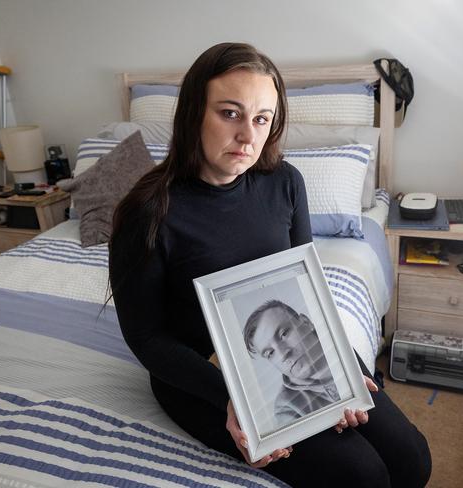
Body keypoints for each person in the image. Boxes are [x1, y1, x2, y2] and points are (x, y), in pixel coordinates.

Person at [109, 42, 431, 487]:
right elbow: (144, 336)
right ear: (193, 114)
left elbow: (306, 290)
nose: (248, 137)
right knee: (363, 476)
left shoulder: (285, 184)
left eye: (261, 118)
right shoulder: (146, 211)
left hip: (292, 345)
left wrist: (338, 371)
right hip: (202, 375)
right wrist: (232, 397)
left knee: (413, 458)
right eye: (230, 113)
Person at [243, 299, 341, 425]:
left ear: (306, 322)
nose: (283, 354)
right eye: (270, 353)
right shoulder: (286, 408)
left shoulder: (339, 343)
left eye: (284, 333)